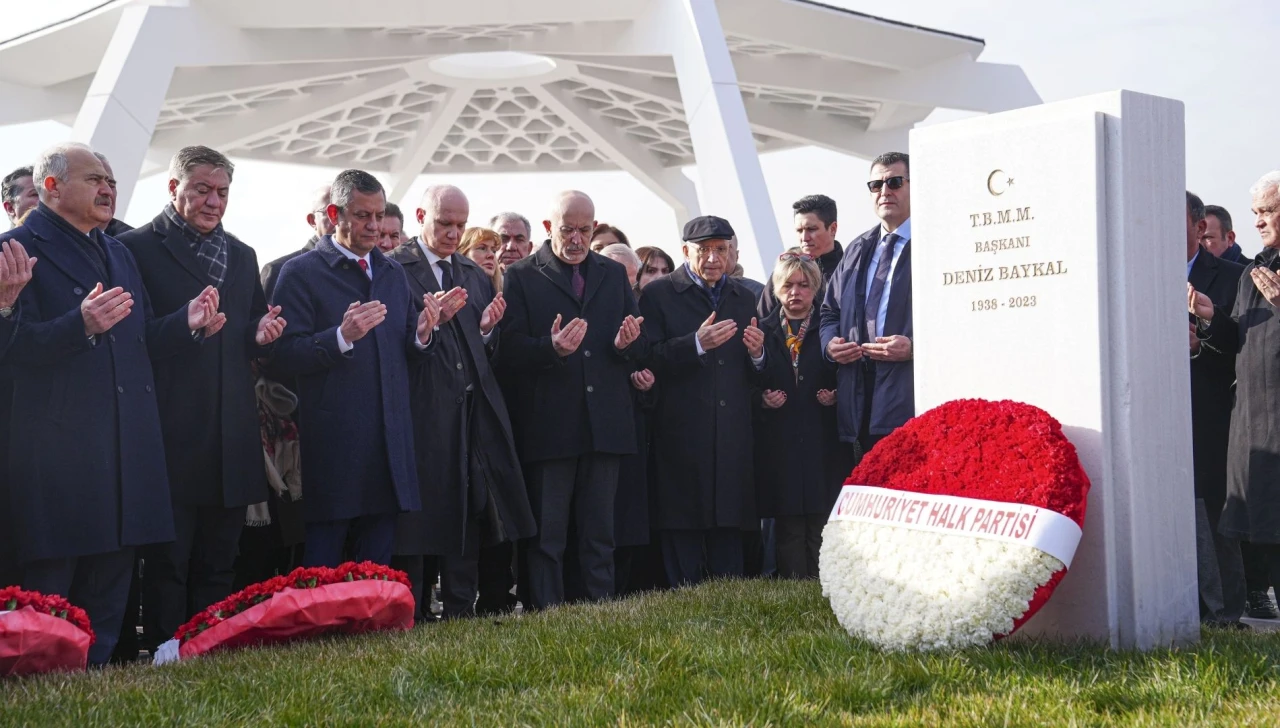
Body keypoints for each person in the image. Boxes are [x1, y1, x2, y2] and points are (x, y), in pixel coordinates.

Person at [1, 142, 222, 664]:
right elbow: (10, 350)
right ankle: (40, 682)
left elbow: (138, 336)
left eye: (110, 180)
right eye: (93, 179)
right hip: (61, 448)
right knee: (53, 580)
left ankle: (94, 676)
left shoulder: (118, 250)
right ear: (51, 187)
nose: (107, 188)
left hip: (126, 442)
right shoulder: (15, 249)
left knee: (112, 574)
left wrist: (184, 324)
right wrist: (77, 325)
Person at [117, 145, 287, 651]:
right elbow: (133, 338)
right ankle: (168, 651)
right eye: (202, 190)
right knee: (168, 560)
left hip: (232, 431)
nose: (214, 201)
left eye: (222, 192)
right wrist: (184, 325)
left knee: (220, 556)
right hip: (171, 431)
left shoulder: (242, 254)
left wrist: (262, 333)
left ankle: (209, 648)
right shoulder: (137, 249)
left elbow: (248, 328)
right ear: (174, 188)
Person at [269, 169, 440, 567]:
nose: (375, 226)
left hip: (388, 435)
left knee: (379, 551)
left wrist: (423, 335)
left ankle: (375, 629)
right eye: (363, 215)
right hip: (335, 438)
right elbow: (283, 355)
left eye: (379, 215)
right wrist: (340, 337)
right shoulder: (300, 273)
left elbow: (405, 352)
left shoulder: (393, 273)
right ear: (334, 213)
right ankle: (319, 631)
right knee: (325, 552)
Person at [389, 185, 535, 619]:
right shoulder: (395, 269)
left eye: (460, 224)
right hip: (421, 416)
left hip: (472, 416)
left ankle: (460, 609)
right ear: (421, 216)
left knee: (471, 511)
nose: (453, 234)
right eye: (444, 224)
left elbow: (481, 348)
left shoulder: (471, 274)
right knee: (416, 521)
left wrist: (486, 328)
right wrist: (425, 328)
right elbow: (396, 346)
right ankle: (410, 613)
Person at [500, 190, 648, 609]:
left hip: (605, 424)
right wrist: (550, 349)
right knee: (548, 534)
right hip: (551, 426)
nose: (577, 239)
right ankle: (546, 611)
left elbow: (636, 344)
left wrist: (624, 344)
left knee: (599, 531)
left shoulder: (612, 274)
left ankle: (598, 609)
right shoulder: (524, 275)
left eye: (585, 230)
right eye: (568, 229)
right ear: (549, 228)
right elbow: (508, 349)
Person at [639, 216, 770, 585]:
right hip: (681, 434)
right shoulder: (659, 294)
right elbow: (645, 357)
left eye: (721, 250)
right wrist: (696, 343)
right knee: (682, 530)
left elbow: (758, 372)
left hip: (731, 437)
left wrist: (759, 354)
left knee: (729, 533)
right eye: (704, 250)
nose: (713, 258)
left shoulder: (746, 296)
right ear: (685, 252)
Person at [1191, 170, 1280, 620]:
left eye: (1269, 210)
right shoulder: (1256, 270)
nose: (1260, 221)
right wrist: (1210, 318)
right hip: (1251, 417)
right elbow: (1239, 342)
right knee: (1261, 526)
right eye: (1256, 212)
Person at [755, 251, 848, 579]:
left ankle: (825, 586)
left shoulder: (828, 328)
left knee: (821, 521)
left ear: (816, 289)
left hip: (821, 440)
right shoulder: (763, 330)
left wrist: (835, 396)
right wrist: (762, 399)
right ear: (777, 289)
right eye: (788, 285)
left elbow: (843, 373)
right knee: (789, 523)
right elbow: (749, 382)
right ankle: (795, 589)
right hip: (780, 443)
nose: (796, 292)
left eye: (804, 285)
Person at [820, 152, 914, 457]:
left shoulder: (936, 244)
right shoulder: (857, 248)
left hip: (907, 394)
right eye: (876, 185)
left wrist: (914, 348)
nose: (885, 191)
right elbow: (829, 312)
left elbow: (959, 319)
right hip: (858, 395)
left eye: (895, 182)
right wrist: (829, 345)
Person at [1184, 192, 1248, 625]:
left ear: (1198, 226)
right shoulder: (1135, 269)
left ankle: (1225, 612)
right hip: (1153, 415)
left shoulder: (1233, 277)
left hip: (1209, 412)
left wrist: (1199, 343)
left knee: (1211, 512)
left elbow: (1246, 350)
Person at [598, 243, 661, 593]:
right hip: (592, 429)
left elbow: (649, 357)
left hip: (631, 427)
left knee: (627, 519)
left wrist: (647, 384)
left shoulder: (640, 308)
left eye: (631, 281)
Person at [759, 195, 845, 318]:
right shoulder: (785, 270)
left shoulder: (850, 271)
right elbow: (763, 320)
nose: (804, 238)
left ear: (833, 229)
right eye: (799, 230)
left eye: (811, 229)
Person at [261, 185, 335, 299]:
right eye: (330, 212)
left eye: (344, 212)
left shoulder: (367, 266)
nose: (338, 219)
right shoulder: (279, 270)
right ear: (312, 220)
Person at [93, 153, 133, 237]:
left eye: (111, 184)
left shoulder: (132, 243)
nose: (108, 191)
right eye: (94, 180)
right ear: (57, 187)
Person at [458, 226, 504, 293]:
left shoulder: (505, 292)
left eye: (493, 251)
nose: (491, 255)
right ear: (463, 252)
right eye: (482, 248)